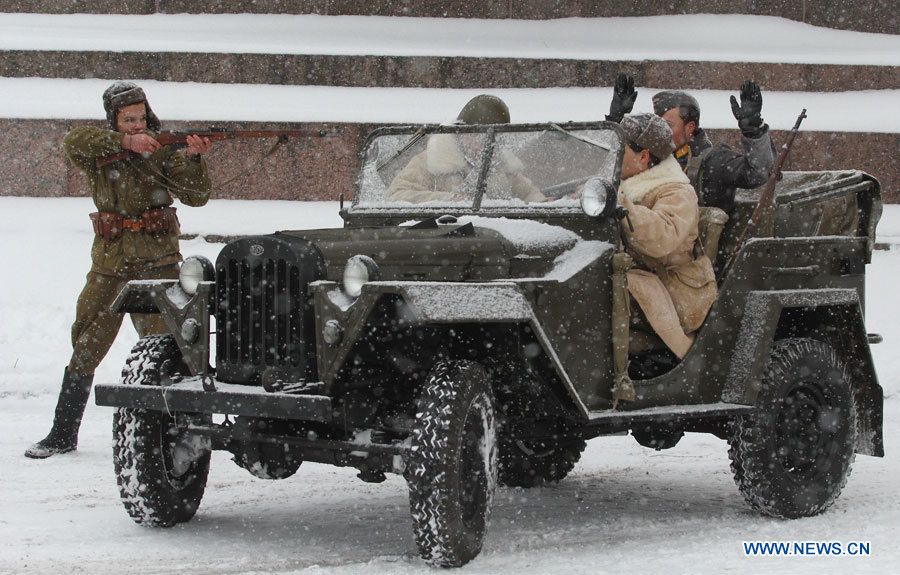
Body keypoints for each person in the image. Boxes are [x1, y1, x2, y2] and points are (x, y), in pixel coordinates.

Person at [24, 81, 214, 459]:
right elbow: (74, 141)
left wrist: (192, 157)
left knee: (165, 348)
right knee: (85, 342)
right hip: (110, 266)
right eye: (128, 120)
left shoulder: (162, 151)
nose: (136, 125)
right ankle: (63, 433)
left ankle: (173, 434)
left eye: (141, 118)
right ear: (113, 121)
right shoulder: (100, 150)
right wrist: (125, 145)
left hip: (157, 264)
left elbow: (197, 196)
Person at [616, 113, 717, 359]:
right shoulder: (621, 183)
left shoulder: (677, 191)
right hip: (632, 282)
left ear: (643, 157)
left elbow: (663, 237)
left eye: (621, 149)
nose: (614, 155)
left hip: (670, 290)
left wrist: (621, 205)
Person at [606, 74, 775, 213]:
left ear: (690, 127)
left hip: (694, 248)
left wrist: (753, 129)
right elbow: (610, 167)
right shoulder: (647, 156)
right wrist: (617, 123)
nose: (661, 130)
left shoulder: (715, 161)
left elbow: (758, 173)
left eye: (668, 125)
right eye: (657, 124)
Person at [387, 94, 545, 204]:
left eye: (495, 138)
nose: (485, 145)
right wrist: (447, 200)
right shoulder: (430, 161)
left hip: (494, 236)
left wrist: (546, 204)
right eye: (479, 136)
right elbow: (396, 196)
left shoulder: (501, 165)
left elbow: (527, 194)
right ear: (461, 133)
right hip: (449, 240)